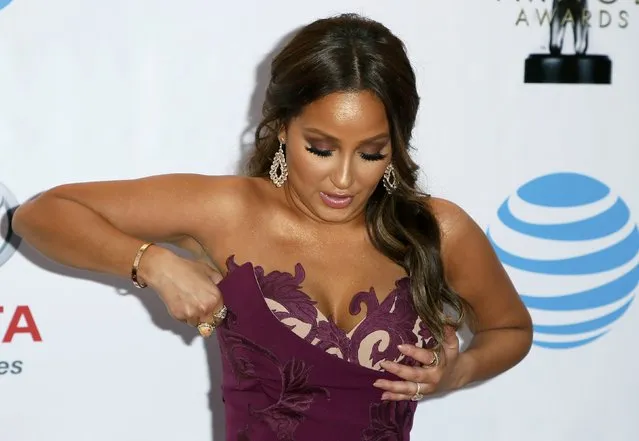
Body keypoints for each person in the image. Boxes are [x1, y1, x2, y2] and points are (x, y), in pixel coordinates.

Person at [12, 13, 532, 441]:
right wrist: (153, 262)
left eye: (372, 153)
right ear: (283, 129)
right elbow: (41, 214)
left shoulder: (437, 227)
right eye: (321, 149)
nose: (345, 178)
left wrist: (457, 372)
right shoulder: (226, 210)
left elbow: (510, 330)